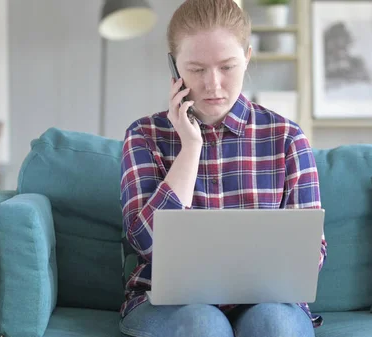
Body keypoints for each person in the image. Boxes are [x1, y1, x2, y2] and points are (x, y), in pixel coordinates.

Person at [119, 0, 327, 336]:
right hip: (169, 304)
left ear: (246, 57)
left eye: (227, 67)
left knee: (274, 324)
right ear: (174, 68)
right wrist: (191, 148)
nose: (213, 85)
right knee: (205, 324)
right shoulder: (144, 136)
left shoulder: (286, 138)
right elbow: (146, 243)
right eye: (197, 69)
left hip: (266, 303)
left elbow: (310, 255)